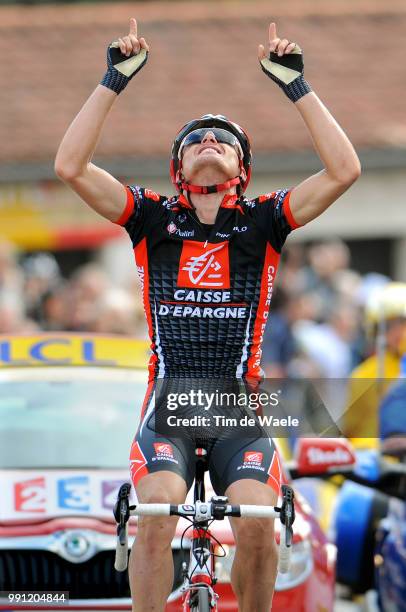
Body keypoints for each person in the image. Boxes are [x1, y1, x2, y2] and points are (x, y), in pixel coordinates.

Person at [55, 18, 360, 612]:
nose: (210, 143)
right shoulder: (149, 218)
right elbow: (70, 166)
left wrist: (298, 88)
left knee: (257, 522)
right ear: (178, 167)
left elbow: (345, 171)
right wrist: (111, 81)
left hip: (235, 406)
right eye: (196, 139)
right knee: (152, 515)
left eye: (224, 139)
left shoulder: (264, 221)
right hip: (170, 402)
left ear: (242, 169)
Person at [344, 282, 406, 447]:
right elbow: (351, 429)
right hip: (376, 459)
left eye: (403, 322)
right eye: (390, 325)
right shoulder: (363, 374)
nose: (399, 331)